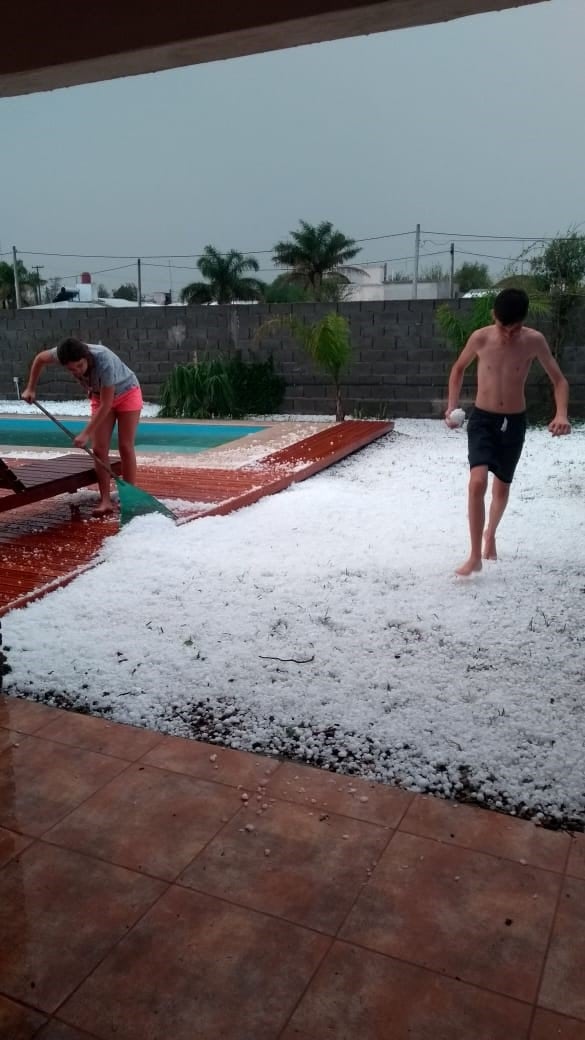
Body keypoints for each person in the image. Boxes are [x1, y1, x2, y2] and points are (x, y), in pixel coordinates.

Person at [445, 288, 571, 576]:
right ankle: (475, 555)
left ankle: (491, 534)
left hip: (513, 421)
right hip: (482, 420)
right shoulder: (481, 337)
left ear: (523, 322)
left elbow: (560, 381)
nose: (509, 334)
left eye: (515, 328)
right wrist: (452, 407)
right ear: (494, 317)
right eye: (504, 327)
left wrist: (561, 413)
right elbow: (458, 369)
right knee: (477, 483)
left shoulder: (534, 341)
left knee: (502, 486)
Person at [22, 338, 143, 517]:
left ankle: (130, 499)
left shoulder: (104, 361)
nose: (77, 371)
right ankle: (105, 501)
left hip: (127, 392)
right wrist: (30, 388)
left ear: (86, 357)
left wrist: (86, 433)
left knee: (125, 446)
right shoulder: (61, 353)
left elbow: (107, 404)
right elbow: (40, 358)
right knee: (99, 449)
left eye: (80, 365)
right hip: (99, 395)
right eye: (72, 369)